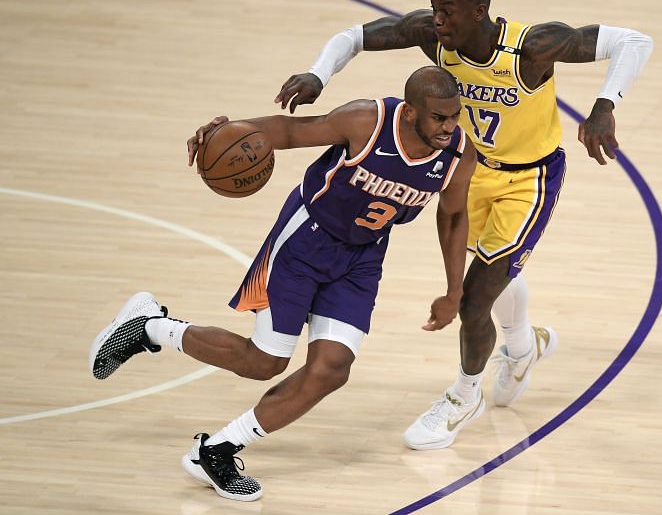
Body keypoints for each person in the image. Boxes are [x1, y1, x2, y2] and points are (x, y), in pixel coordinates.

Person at [274, 0, 653, 450]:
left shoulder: (532, 48)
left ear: (480, 11)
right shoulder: (435, 38)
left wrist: (604, 107)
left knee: (475, 297)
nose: (437, 20)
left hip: (529, 180)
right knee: (491, 269)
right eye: (434, 8)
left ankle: (463, 394)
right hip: (470, 171)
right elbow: (354, 37)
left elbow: (633, 41)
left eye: (448, 11)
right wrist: (317, 75)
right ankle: (522, 345)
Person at [89, 65, 476, 502]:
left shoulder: (459, 154)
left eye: (454, 116)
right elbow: (292, 132)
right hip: (305, 242)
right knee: (265, 361)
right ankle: (150, 327)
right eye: (439, 118)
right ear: (409, 113)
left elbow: (454, 215)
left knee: (332, 369)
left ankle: (217, 451)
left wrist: (454, 290)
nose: (448, 126)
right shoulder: (367, 122)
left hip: (362, 259)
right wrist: (232, 131)